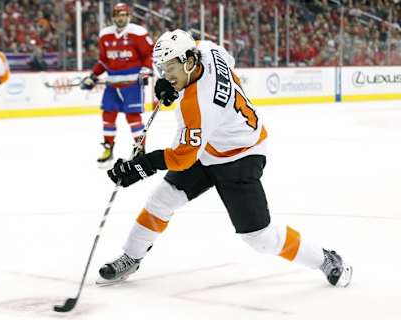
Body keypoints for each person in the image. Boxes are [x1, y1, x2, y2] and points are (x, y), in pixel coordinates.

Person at [97, 29, 353, 288]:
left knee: (261, 238)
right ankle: (132, 256)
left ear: (188, 62)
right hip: (211, 144)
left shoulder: (200, 105)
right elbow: (224, 62)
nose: (165, 75)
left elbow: (181, 159)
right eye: (162, 69)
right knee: (162, 199)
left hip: (241, 155)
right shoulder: (206, 48)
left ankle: (324, 258)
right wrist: (176, 84)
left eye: (169, 68)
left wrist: (140, 167)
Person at [81, 2, 154, 165]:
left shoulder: (138, 32)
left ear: (129, 16)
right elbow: (104, 61)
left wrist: (146, 70)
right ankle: (108, 147)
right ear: (113, 17)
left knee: (133, 117)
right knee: (108, 115)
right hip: (112, 84)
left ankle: (140, 150)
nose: (120, 18)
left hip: (132, 84)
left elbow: (149, 54)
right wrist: (93, 76)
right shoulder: (105, 35)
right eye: (117, 15)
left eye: (124, 15)